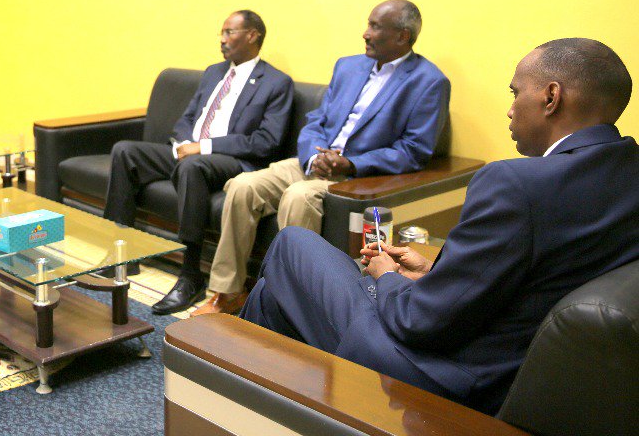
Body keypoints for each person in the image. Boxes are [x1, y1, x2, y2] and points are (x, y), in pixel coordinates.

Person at [239, 38, 639, 415]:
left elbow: (418, 322)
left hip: (437, 373)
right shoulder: (627, 172)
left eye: (515, 93)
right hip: (512, 369)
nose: (510, 110)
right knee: (272, 295)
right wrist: (438, 273)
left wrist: (388, 276)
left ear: (550, 98)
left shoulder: (516, 183)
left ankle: (235, 393)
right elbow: (538, 275)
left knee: (291, 246)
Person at [193, 0, 449, 316]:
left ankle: (284, 305)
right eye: (368, 24)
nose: (365, 33)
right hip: (315, 162)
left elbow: (413, 151)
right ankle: (228, 292)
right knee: (243, 186)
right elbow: (317, 120)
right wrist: (315, 157)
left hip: (357, 175)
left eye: (375, 27)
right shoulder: (348, 66)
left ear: (402, 36)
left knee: (298, 196)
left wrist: (352, 163)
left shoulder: (429, 81)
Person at [103, 10, 294, 315]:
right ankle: (123, 253)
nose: (222, 40)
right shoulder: (214, 72)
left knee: (192, 167)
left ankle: (190, 274)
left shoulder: (276, 82)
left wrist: (203, 147)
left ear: (252, 35)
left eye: (229, 32)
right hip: (190, 152)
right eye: (222, 33)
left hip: (232, 161)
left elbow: (265, 142)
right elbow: (189, 117)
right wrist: (182, 143)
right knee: (126, 151)